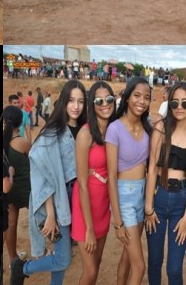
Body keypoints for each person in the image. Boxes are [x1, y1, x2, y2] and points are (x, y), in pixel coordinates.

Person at [9, 82, 79, 285]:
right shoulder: (53, 131)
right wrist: (50, 213)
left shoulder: (81, 129)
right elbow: (43, 172)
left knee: (60, 254)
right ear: (64, 102)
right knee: (63, 258)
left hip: (74, 197)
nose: (76, 106)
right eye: (72, 100)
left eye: (81, 101)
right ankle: (23, 268)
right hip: (57, 200)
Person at [145, 82, 186, 285]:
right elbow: (152, 168)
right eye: (174, 102)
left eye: (185, 104)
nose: (179, 107)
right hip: (158, 198)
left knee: (174, 269)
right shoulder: (160, 128)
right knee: (154, 262)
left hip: (181, 203)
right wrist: (149, 207)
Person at [106, 78, 152, 285]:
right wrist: (118, 222)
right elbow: (111, 178)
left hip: (142, 196)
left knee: (128, 256)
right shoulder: (114, 129)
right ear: (127, 97)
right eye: (137, 95)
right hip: (124, 197)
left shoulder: (147, 127)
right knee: (140, 266)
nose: (142, 101)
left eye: (147, 97)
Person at [72, 82, 115, 285]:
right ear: (92, 104)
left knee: (95, 268)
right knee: (89, 273)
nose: (104, 104)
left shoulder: (114, 131)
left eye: (109, 99)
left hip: (103, 207)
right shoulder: (85, 134)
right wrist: (89, 228)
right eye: (99, 100)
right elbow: (81, 184)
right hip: (85, 209)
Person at [3, 106, 30, 263]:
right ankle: (46, 250)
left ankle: (13, 258)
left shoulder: (4, 141)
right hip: (26, 189)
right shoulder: (22, 142)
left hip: (10, 188)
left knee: (11, 224)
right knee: (41, 219)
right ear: (20, 123)